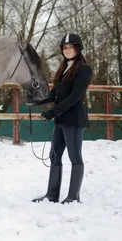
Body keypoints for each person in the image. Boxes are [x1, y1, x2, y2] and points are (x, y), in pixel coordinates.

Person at [32, 33, 92, 204]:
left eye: (70, 47)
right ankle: (52, 195)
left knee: (75, 157)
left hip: (74, 120)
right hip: (61, 119)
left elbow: (75, 96)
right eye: (65, 48)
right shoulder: (65, 68)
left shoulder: (84, 69)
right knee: (54, 155)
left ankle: (73, 196)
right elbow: (55, 94)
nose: (67, 50)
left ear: (78, 49)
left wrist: (52, 112)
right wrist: (39, 102)